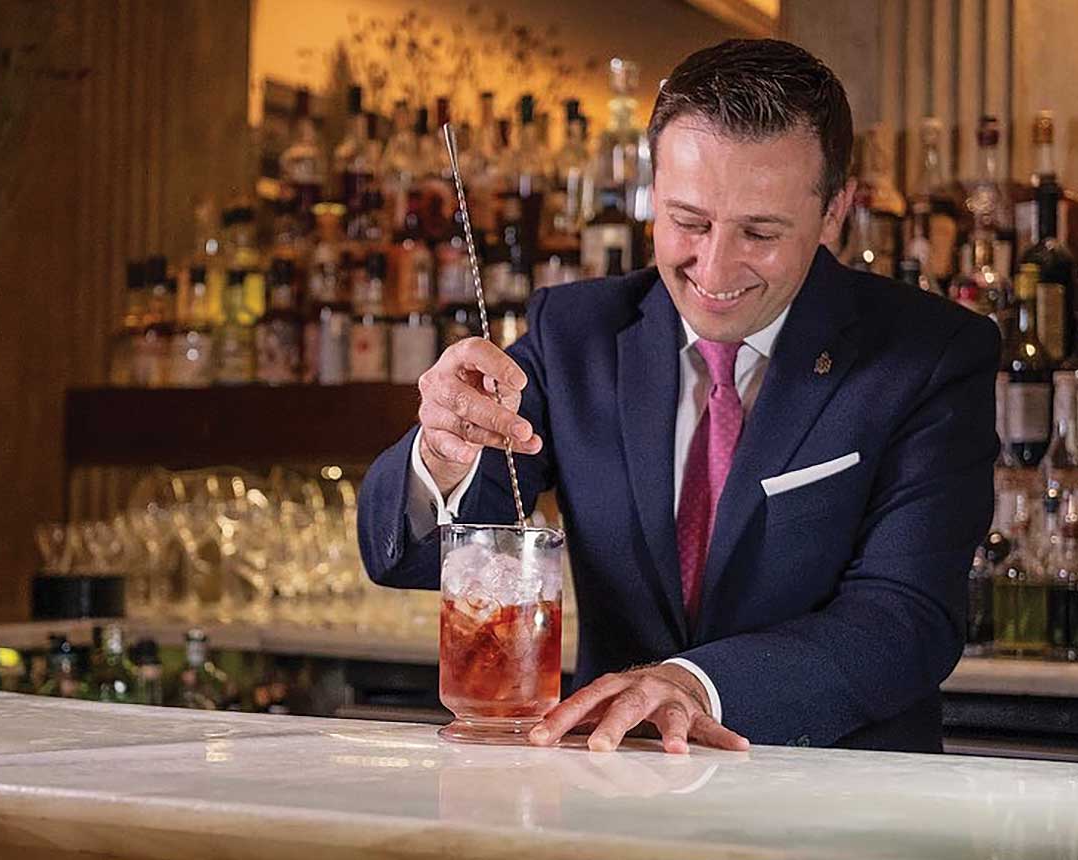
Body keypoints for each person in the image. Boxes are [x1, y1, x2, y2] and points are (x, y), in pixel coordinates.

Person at [356, 39, 998, 754]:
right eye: (687, 221)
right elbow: (414, 558)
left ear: (835, 210)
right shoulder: (576, 334)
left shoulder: (930, 356)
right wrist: (443, 455)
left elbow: (907, 617)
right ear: (651, 194)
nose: (714, 267)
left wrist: (697, 684)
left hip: (839, 806)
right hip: (617, 789)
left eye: (760, 231)